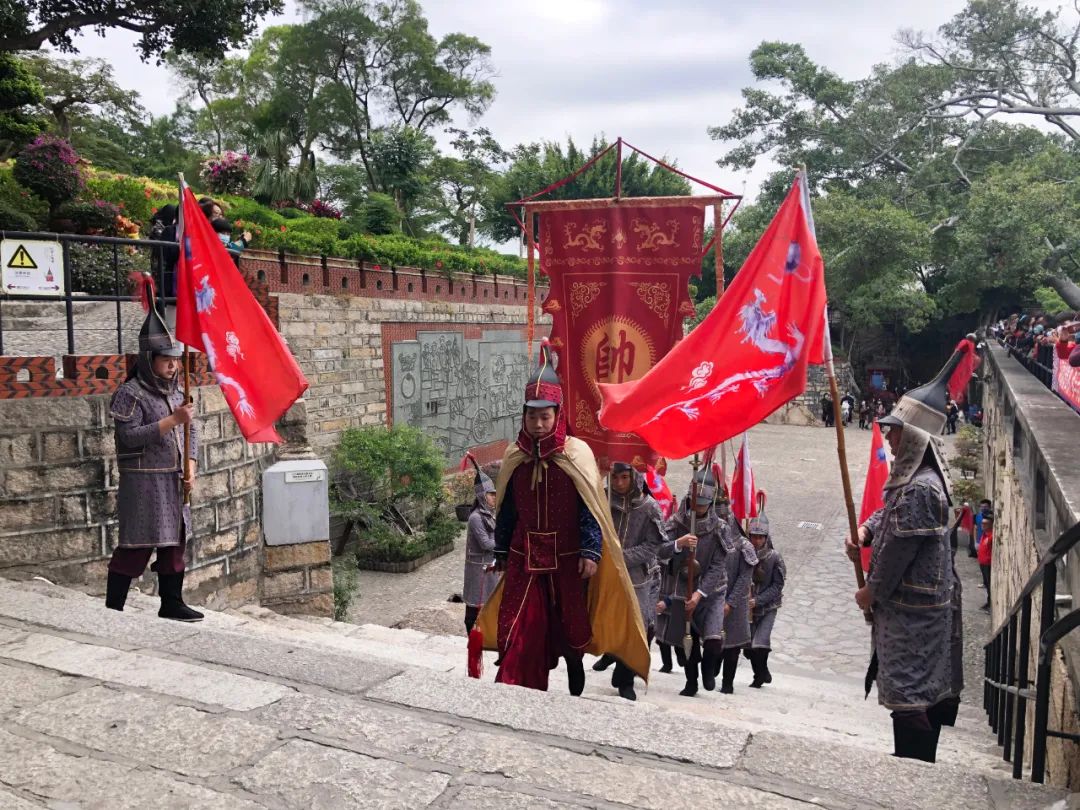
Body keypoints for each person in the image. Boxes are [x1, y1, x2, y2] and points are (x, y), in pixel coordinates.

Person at [476, 341, 648, 694]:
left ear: (558, 414)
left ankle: (574, 665)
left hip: (567, 555)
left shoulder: (576, 454)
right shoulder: (514, 457)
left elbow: (590, 508)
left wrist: (590, 551)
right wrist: (500, 553)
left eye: (545, 416)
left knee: (568, 619)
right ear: (523, 416)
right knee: (518, 617)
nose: (538, 424)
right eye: (531, 416)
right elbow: (506, 509)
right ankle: (514, 681)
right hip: (525, 554)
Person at [846, 338, 976, 763]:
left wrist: (871, 593)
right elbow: (892, 516)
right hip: (913, 611)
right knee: (914, 695)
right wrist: (866, 530)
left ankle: (915, 774)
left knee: (912, 700)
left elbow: (899, 552)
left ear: (914, 437)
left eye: (895, 430)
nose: (890, 436)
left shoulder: (922, 488)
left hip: (913, 614)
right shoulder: (915, 486)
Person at [104, 274, 202, 622]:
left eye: (175, 360)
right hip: (144, 483)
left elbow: (193, 432)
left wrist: (190, 465)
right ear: (149, 360)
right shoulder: (130, 393)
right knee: (137, 545)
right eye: (166, 360)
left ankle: (171, 603)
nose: (174, 365)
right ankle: (113, 606)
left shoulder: (177, 391)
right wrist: (172, 421)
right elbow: (129, 437)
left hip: (175, 480)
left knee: (175, 544)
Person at [593, 461, 667, 701]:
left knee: (638, 628)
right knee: (610, 622)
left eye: (624, 478)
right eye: (615, 478)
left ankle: (626, 677)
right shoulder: (602, 502)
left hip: (638, 577)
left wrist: (623, 558)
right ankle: (612, 655)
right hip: (606, 574)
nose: (619, 483)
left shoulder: (649, 508)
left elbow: (653, 545)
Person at [656, 468, 728, 697]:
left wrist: (699, 594)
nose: (699, 507)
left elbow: (718, 566)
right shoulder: (676, 522)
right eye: (697, 502)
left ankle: (709, 672)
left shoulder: (720, 528)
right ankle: (691, 681)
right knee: (687, 640)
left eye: (704, 503)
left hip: (710, 593)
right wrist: (679, 543)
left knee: (713, 639)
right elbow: (659, 549)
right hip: (682, 588)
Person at [717, 499, 757, 694]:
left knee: (732, 647)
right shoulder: (711, 540)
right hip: (713, 599)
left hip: (736, 604)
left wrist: (730, 603)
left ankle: (727, 684)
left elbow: (745, 578)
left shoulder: (743, 546)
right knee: (713, 643)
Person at [747, 513, 785, 688]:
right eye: (753, 537)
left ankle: (759, 677)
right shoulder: (744, 554)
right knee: (748, 646)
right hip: (747, 609)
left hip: (768, 607)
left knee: (760, 643)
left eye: (760, 537)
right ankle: (761, 672)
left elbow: (777, 586)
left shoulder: (774, 558)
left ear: (766, 538)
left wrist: (759, 600)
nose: (756, 541)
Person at [462, 460, 499, 634]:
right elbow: (486, 544)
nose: (494, 498)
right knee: (474, 606)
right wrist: (504, 542)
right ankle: (472, 636)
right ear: (482, 496)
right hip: (478, 570)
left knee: (490, 604)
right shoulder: (476, 518)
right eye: (491, 494)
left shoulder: (490, 515)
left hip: (490, 567)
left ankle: (487, 634)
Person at [978, 513, 994, 611]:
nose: (982, 525)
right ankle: (988, 602)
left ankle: (989, 603)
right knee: (986, 584)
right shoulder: (984, 535)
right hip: (982, 563)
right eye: (982, 523)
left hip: (988, 564)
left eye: (985, 524)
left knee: (989, 585)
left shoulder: (991, 536)